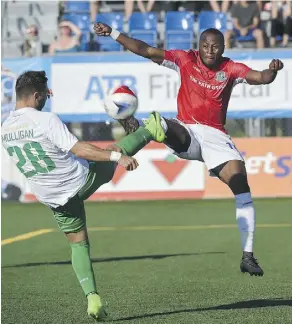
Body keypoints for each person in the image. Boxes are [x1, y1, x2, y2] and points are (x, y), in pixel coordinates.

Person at [94, 23, 285, 277]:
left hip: (216, 138)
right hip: (186, 132)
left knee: (242, 186)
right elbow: (146, 50)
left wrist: (272, 71)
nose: (210, 50)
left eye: (215, 46)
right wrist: (114, 34)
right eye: (205, 45)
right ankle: (136, 135)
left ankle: (248, 256)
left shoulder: (230, 69)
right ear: (198, 46)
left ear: (223, 48)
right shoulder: (185, 59)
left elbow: (261, 78)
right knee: (161, 124)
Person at [1, 71, 165, 321]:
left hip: (52, 196)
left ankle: (92, 297)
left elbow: (30, 119)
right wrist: (116, 158)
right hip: (79, 181)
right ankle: (151, 130)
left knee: (78, 243)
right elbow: (80, 150)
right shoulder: (46, 119)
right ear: (36, 96)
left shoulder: (6, 127)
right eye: (43, 96)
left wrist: (41, 98)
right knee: (110, 150)